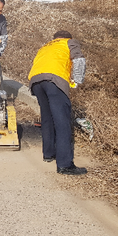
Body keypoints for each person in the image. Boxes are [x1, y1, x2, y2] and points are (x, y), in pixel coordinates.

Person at [28, 30, 87, 175]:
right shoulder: (69, 42)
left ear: (54, 39)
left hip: (36, 81)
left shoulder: (45, 47)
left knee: (47, 118)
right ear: (68, 37)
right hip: (54, 80)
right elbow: (79, 60)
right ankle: (65, 165)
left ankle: (48, 154)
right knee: (62, 122)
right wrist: (77, 80)